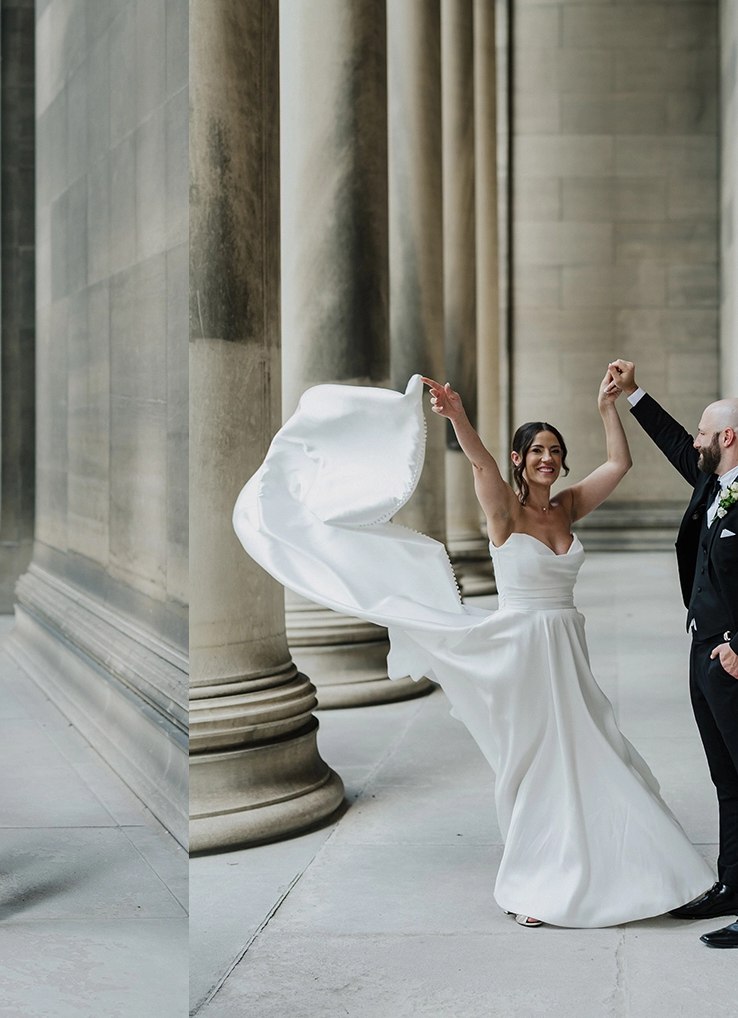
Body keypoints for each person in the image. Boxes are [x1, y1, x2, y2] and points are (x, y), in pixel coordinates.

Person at [233, 369, 710, 928]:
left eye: (555, 451)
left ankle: (660, 875)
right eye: (536, 451)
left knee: (601, 751)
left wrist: (608, 408)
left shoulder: (568, 507)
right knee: (538, 763)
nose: (547, 459)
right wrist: (456, 413)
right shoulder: (504, 509)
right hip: (522, 653)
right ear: (518, 459)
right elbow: (481, 462)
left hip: (566, 651)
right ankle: (537, 885)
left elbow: (619, 465)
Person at [610, 360, 738, 949]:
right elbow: (673, 442)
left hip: (734, 661)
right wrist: (633, 394)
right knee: (728, 782)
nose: (693, 439)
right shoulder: (715, 483)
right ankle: (735, 886)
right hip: (703, 653)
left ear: (727, 438)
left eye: (702, 431)